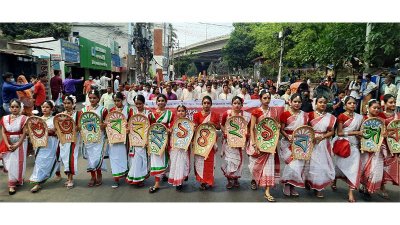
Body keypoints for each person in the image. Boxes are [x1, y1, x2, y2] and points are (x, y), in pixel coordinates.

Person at [248, 91, 280, 202]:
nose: (267, 100)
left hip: (270, 144)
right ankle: (254, 179)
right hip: (258, 142)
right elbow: (252, 129)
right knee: (254, 166)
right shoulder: (256, 112)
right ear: (260, 99)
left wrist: (275, 140)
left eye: (268, 98)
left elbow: (277, 127)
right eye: (265, 98)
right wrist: (254, 143)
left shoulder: (274, 111)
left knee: (268, 168)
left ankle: (267, 191)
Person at [332, 96, 363, 202]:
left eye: (354, 103)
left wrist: (360, 137)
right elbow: (339, 132)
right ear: (345, 105)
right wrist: (355, 132)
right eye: (350, 103)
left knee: (354, 169)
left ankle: (350, 192)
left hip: (354, 145)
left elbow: (361, 131)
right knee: (339, 166)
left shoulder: (359, 117)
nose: (353, 105)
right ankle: (334, 180)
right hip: (343, 144)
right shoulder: (341, 116)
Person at [305, 95, 336, 198]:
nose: (323, 104)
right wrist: (312, 137)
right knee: (310, 164)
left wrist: (322, 136)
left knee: (321, 166)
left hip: (323, 144)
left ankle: (319, 188)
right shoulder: (309, 115)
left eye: (324, 102)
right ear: (316, 103)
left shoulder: (330, 117)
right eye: (320, 102)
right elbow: (305, 129)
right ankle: (309, 182)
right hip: (311, 142)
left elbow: (332, 132)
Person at [279, 93, 309, 197]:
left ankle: (293, 186)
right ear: (290, 102)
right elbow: (281, 129)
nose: (297, 104)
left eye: (299, 102)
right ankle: (287, 184)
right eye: (295, 101)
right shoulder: (285, 114)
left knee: (298, 165)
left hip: (300, 142)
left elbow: (307, 129)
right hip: (287, 143)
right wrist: (288, 137)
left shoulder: (305, 115)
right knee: (291, 164)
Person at [30, 100, 60, 193]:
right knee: (39, 161)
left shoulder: (55, 119)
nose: (44, 109)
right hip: (40, 144)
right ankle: (37, 182)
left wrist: (51, 131)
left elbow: (58, 131)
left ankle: (57, 174)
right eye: (43, 107)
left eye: (47, 107)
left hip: (51, 142)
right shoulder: (37, 119)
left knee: (51, 160)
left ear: (52, 109)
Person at [221, 96, 251, 189]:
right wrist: (225, 133)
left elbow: (249, 127)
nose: (237, 105)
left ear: (242, 105)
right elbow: (222, 125)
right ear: (232, 104)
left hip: (240, 144)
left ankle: (236, 179)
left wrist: (247, 135)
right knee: (229, 161)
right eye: (235, 103)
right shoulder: (227, 114)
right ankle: (229, 180)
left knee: (238, 162)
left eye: (239, 103)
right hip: (228, 143)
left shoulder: (246, 115)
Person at [0, 99, 29, 195]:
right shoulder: (5, 118)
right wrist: (8, 144)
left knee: (18, 162)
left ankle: (12, 184)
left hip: (20, 143)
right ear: (9, 108)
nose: (14, 108)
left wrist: (18, 144)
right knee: (9, 162)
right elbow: (3, 132)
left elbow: (25, 133)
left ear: (20, 108)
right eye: (12, 106)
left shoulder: (24, 118)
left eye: (17, 106)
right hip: (7, 143)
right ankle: (14, 179)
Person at [81, 89, 108, 187]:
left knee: (97, 157)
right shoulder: (84, 110)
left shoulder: (103, 110)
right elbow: (81, 123)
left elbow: (107, 122)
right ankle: (92, 176)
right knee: (90, 157)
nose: (92, 100)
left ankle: (99, 174)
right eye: (90, 98)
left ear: (98, 98)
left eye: (94, 98)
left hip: (99, 137)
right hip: (88, 138)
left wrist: (103, 125)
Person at [193, 96, 221, 190]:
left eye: (208, 103)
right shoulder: (196, 115)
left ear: (211, 104)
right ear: (202, 104)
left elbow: (218, 127)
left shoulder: (215, 115)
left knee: (210, 162)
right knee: (200, 162)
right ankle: (202, 182)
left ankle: (209, 180)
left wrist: (212, 124)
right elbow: (195, 128)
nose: (206, 105)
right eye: (204, 103)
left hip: (210, 143)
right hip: (200, 143)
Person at [148, 94, 174, 193]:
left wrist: (169, 129)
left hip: (165, 140)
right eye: (159, 100)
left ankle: (163, 174)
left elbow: (171, 126)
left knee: (164, 159)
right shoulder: (152, 114)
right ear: (156, 102)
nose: (161, 102)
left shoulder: (170, 114)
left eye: (163, 100)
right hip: (155, 140)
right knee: (156, 161)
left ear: (166, 102)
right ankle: (157, 183)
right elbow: (149, 127)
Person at [359, 99, 383, 198]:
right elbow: (358, 132)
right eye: (374, 107)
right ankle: (363, 186)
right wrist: (360, 138)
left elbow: (383, 133)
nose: (376, 109)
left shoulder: (381, 121)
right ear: (368, 108)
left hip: (376, 149)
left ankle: (368, 190)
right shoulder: (362, 119)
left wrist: (385, 134)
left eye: (378, 108)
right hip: (364, 149)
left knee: (373, 169)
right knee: (364, 169)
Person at [377, 94, 400, 199]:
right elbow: (378, 131)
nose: (393, 104)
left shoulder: (398, 116)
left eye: (394, 102)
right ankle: (382, 186)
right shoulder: (380, 115)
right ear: (385, 104)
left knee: (393, 165)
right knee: (381, 166)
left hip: (394, 144)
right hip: (383, 145)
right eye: (391, 102)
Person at [108, 92, 132, 188]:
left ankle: (127, 174)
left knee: (125, 156)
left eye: (118, 100)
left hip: (125, 139)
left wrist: (128, 129)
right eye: (115, 101)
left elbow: (131, 122)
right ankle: (116, 178)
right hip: (114, 138)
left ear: (122, 100)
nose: (116, 102)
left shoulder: (128, 110)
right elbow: (108, 123)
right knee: (114, 157)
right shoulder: (111, 110)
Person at [126, 95, 151, 186]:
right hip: (134, 140)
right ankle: (135, 177)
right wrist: (127, 130)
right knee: (134, 159)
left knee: (142, 159)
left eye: (140, 103)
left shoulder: (148, 113)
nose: (138, 105)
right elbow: (128, 124)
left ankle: (140, 178)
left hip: (144, 140)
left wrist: (148, 140)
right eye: (136, 104)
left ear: (143, 103)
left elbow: (151, 126)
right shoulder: (132, 113)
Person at [58, 95, 81, 189]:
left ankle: (71, 179)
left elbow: (80, 127)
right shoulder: (61, 115)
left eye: (69, 103)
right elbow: (58, 127)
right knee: (65, 158)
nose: (66, 105)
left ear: (73, 104)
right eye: (65, 103)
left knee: (70, 158)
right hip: (63, 140)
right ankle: (68, 177)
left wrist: (76, 128)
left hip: (73, 140)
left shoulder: (78, 114)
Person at [168, 105, 190, 191]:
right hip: (175, 147)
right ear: (176, 112)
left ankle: (181, 180)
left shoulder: (189, 122)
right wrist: (169, 131)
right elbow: (170, 133)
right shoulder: (174, 122)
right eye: (179, 111)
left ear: (185, 112)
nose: (181, 112)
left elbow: (190, 134)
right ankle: (178, 180)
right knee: (175, 164)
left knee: (182, 164)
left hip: (184, 148)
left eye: (182, 111)